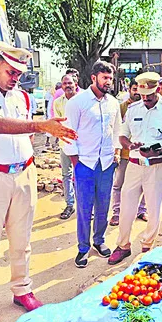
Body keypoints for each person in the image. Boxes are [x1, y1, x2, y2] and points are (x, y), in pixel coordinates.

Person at [0, 41, 77, 322]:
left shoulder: (22, 97)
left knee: (22, 240)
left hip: (24, 173)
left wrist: (45, 132)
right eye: (11, 72)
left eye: (19, 74)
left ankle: (21, 289)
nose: (15, 78)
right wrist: (41, 126)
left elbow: (22, 133)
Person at [108, 72, 162, 264]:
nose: (146, 99)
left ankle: (147, 247)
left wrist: (155, 153)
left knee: (153, 209)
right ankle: (123, 246)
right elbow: (123, 135)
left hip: (156, 168)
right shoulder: (133, 110)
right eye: (143, 95)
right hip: (133, 166)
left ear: (157, 89)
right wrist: (128, 145)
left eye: (149, 95)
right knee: (126, 209)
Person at [63, 61, 122, 268]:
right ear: (93, 78)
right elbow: (67, 135)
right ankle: (82, 248)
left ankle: (99, 241)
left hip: (106, 164)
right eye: (105, 78)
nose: (109, 82)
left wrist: (115, 152)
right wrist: (76, 162)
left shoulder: (113, 103)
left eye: (111, 78)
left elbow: (117, 130)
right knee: (84, 208)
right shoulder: (77, 103)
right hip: (85, 164)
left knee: (103, 207)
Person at [109, 79, 148, 226]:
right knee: (119, 184)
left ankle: (142, 210)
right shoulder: (122, 108)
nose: (137, 92)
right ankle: (117, 213)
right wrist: (117, 151)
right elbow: (117, 131)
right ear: (129, 90)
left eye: (140, 89)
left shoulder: (147, 107)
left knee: (144, 184)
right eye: (134, 88)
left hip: (143, 154)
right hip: (125, 154)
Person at [54, 72, 79, 219]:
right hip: (65, 143)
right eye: (65, 84)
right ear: (62, 86)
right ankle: (70, 205)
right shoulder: (58, 102)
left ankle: (86, 205)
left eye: (70, 83)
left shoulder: (83, 100)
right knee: (66, 175)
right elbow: (57, 123)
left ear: (76, 84)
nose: (68, 86)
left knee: (82, 175)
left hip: (82, 145)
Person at [45, 82, 63, 148]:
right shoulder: (53, 94)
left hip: (54, 113)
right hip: (55, 113)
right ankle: (55, 142)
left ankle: (51, 141)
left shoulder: (57, 93)